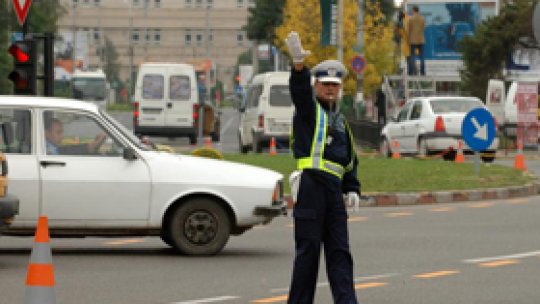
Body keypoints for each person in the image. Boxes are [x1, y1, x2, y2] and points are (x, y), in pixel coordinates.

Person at [285, 31, 361, 304]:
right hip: (312, 189)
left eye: (335, 85)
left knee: (341, 254)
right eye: (325, 84)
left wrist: (352, 188)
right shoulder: (309, 111)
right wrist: (298, 67)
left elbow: (350, 160)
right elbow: (299, 93)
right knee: (308, 256)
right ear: (316, 86)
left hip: (334, 196)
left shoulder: (341, 122)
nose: (330, 89)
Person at [408, 5, 425, 75]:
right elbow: (423, 28)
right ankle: (422, 72)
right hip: (421, 39)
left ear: (414, 10)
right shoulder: (422, 18)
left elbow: (409, 29)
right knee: (422, 56)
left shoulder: (411, 19)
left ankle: (411, 72)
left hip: (413, 40)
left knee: (412, 56)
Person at [396, 10, 411, 75]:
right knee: (408, 58)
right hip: (408, 43)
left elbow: (406, 33)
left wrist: (399, 31)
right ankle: (410, 71)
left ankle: (411, 71)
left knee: (409, 58)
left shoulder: (405, 21)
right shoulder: (407, 19)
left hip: (408, 43)